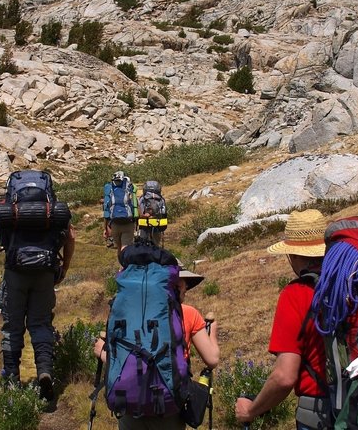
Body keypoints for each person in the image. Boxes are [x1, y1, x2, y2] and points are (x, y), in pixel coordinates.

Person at [94, 264, 220, 430]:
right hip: (167, 404)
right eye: (184, 285)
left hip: (130, 400)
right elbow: (212, 359)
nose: (186, 290)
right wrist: (213, 331)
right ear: (174, 286)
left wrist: (104, 353)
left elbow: (123, 357)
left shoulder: (128, 313)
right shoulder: (188, 313)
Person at [235, 209, 329, 430]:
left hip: (321, 410)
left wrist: (251, 410)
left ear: (294, 256)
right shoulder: (353, 283)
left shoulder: (296, 294)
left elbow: (284, 376)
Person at [0, 187, 76, 400]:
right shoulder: (51, 212)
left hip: (15, 274)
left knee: (12, 327)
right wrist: (65, 267)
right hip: (45, 273)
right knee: (41, 324)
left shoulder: (8, 213)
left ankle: (12, 378)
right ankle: (45, 372)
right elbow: (70, 237)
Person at [103, 170, 138, 258]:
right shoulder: (130, 187)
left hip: (115, 223)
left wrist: (106, 229)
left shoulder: (110, 188)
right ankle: (124, 267)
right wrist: (136, 223)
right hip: (128, 222)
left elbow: (106, 212)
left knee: (119, 247)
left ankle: (121, 267)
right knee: (125, 246)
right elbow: (135, 206)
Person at [137, 180, 168, 247]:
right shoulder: (161, 199)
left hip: (144, 223)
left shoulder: (142, 198)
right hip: (157, 224)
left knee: (143, 244)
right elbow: (164, 212)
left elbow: (140, 212)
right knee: (156, 244)